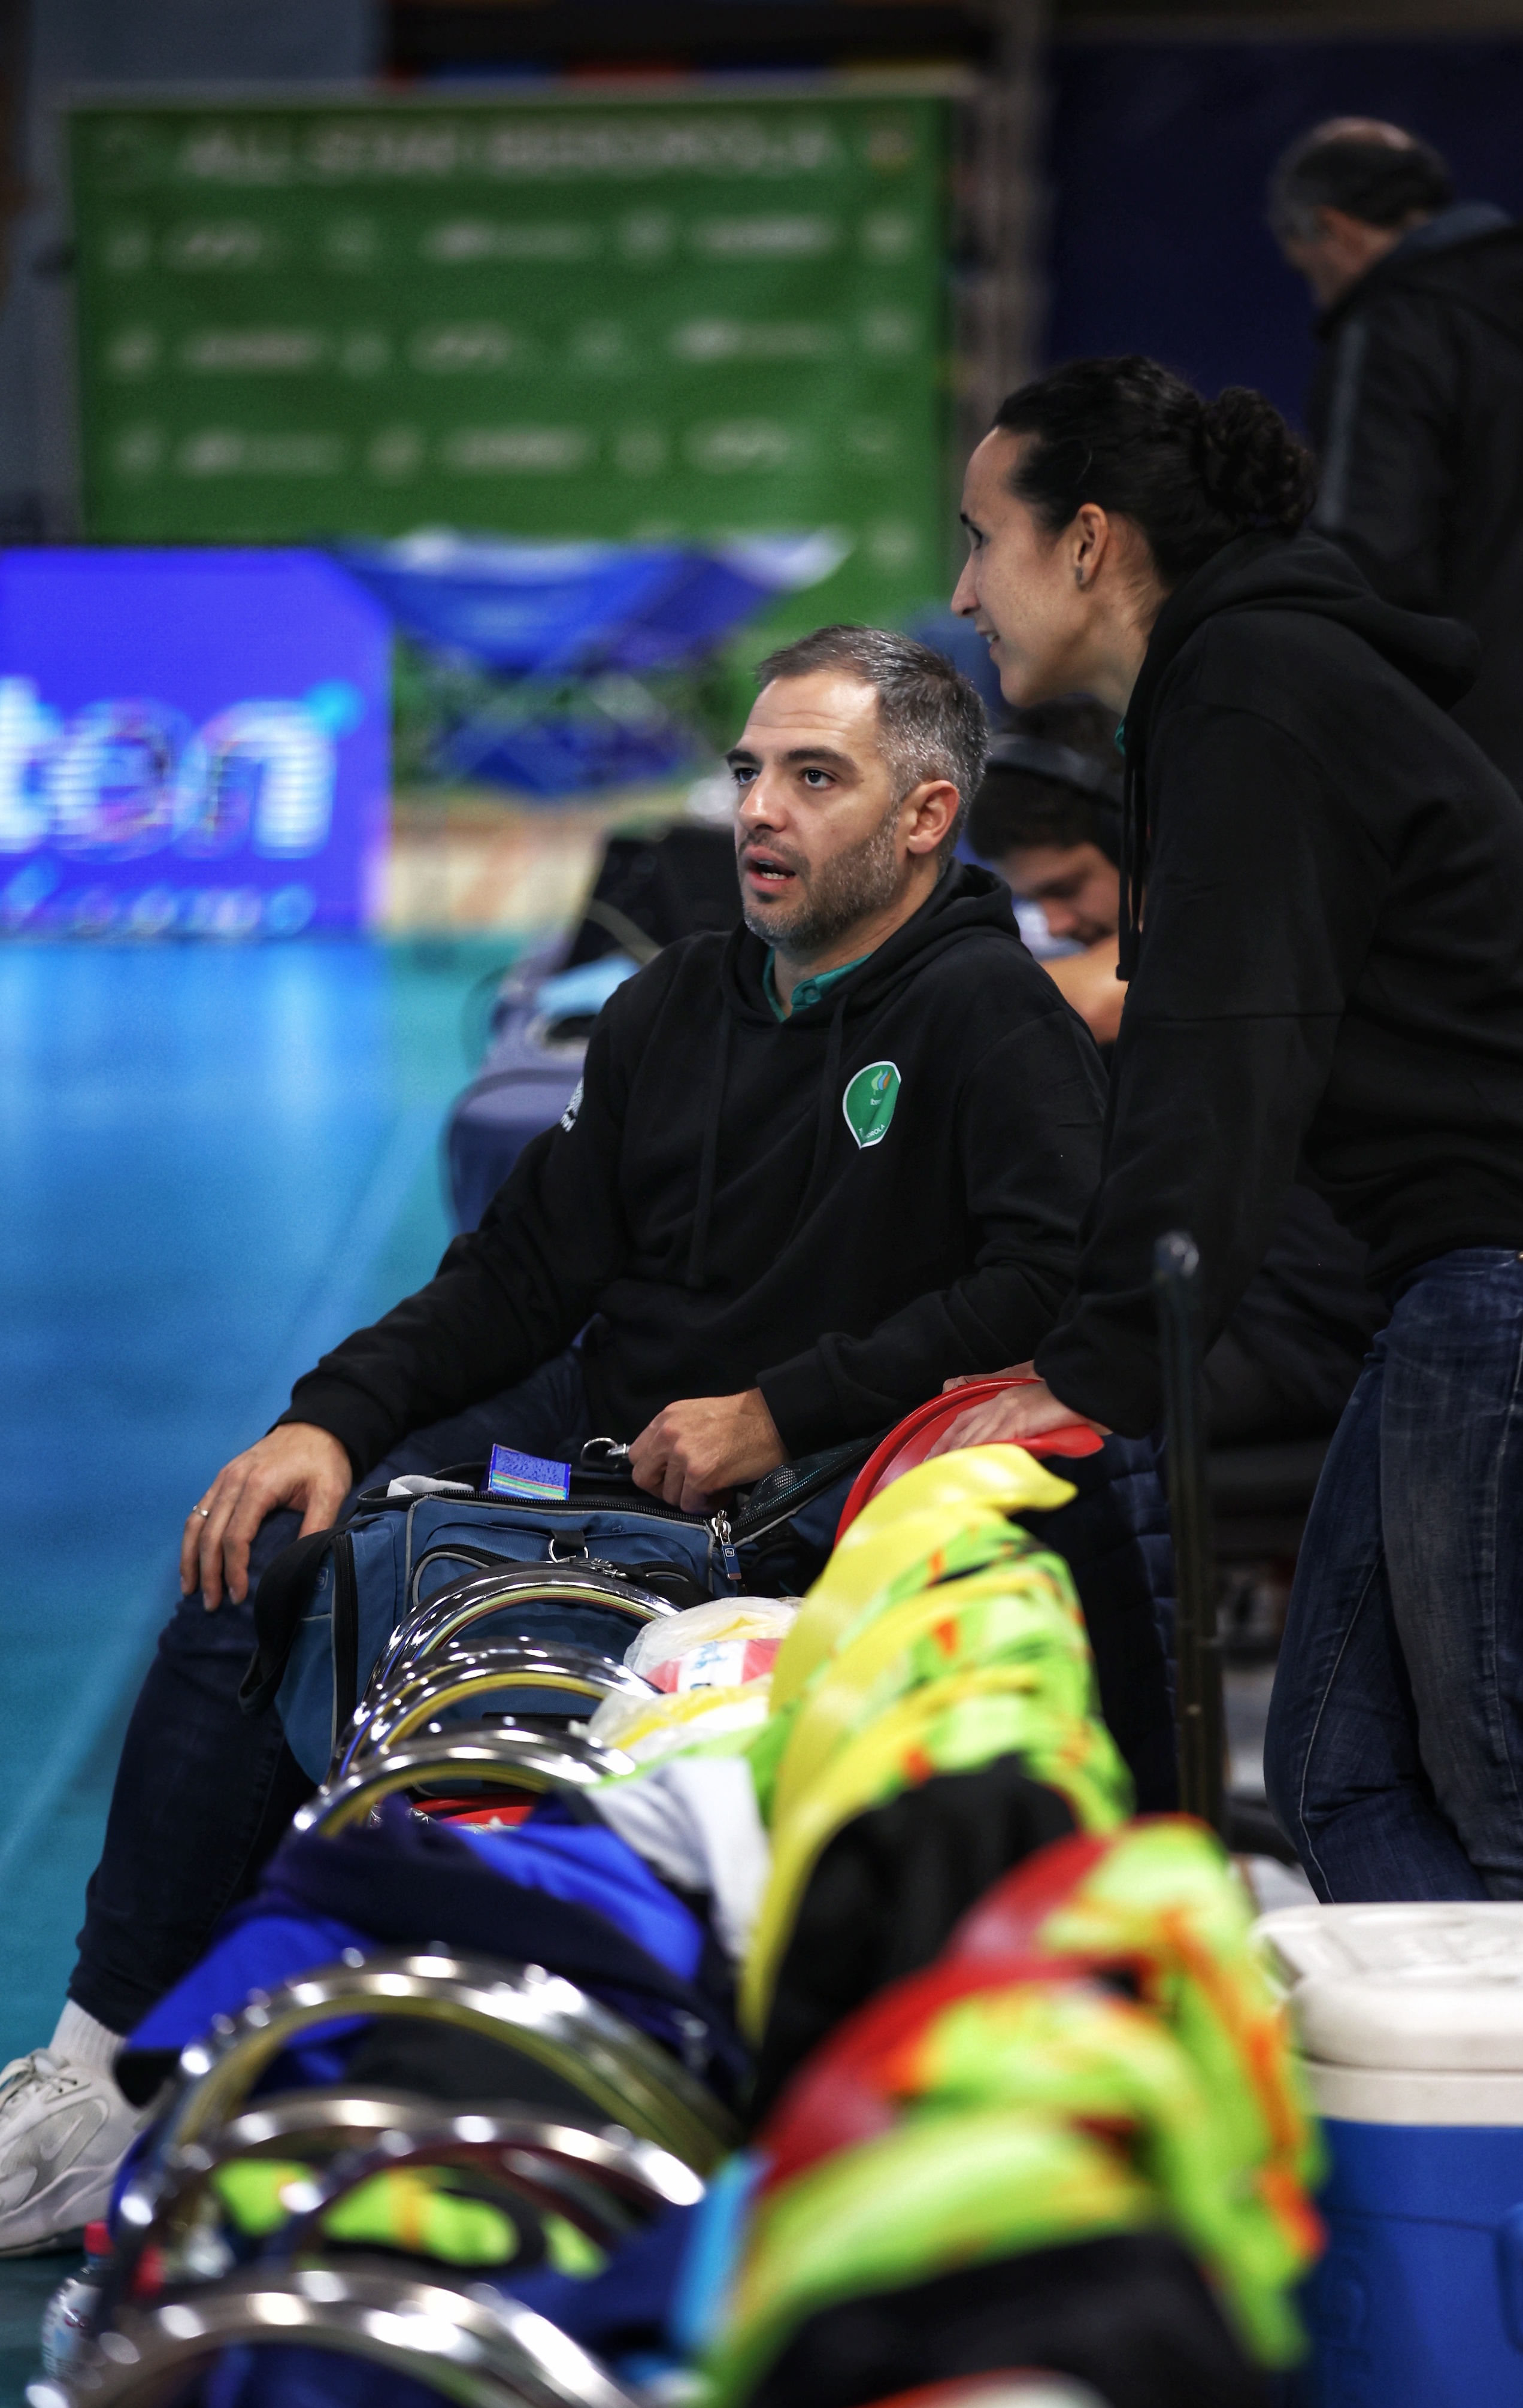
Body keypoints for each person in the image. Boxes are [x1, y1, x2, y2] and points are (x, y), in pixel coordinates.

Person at [0, 625, 1130, 2253]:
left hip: (825, 1493)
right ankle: (107, 2077)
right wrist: (328, 1416)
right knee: (262, 1551)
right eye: (750, 770)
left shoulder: (988, 1016)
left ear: (923, 818)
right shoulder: (674, 999)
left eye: (816, 777)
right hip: (611, 1441)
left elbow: (1047, 1286)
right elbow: (521, 1274)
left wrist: (782, 1410)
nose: (761, 810)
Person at [941, 353, 1523, 1911]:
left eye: (976, 539)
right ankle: (1465, 2065)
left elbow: (1219, 1065)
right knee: (1339, 1769)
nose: (960, 593)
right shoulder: (1232, 683)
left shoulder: (1252, 691)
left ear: (1084, 541)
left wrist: (1086, 1373)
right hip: (1494, 1279)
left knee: (1510, 1792)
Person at [1268, 118, 1523, 976]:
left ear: (1333, 229)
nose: (1318, 295)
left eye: (1307, 267)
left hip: (1485, 779)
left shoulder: (1388, 328)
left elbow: (1367, 562)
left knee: (1482, 1037)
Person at [970, 696, 1384, 1446]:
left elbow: (1095, 998)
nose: (1056, 923)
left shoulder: (1243, 917)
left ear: (1142, 837)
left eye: (1067, 887)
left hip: (1302, 1335)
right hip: (1226, 1321)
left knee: (998, 1444)